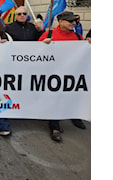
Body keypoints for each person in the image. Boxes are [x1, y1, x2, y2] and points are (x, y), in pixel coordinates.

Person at [39, 11, 87, 142]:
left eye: (74, 21)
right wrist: (43, 45)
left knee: (72, 95)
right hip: (53, 74)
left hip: (72, 74)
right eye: (70, 21)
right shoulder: (49, 34)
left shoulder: (77, 37)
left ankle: (74, 116)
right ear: (61, 22)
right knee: (55, 98)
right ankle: (54, 126)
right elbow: (36, 52)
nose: (73, 23)